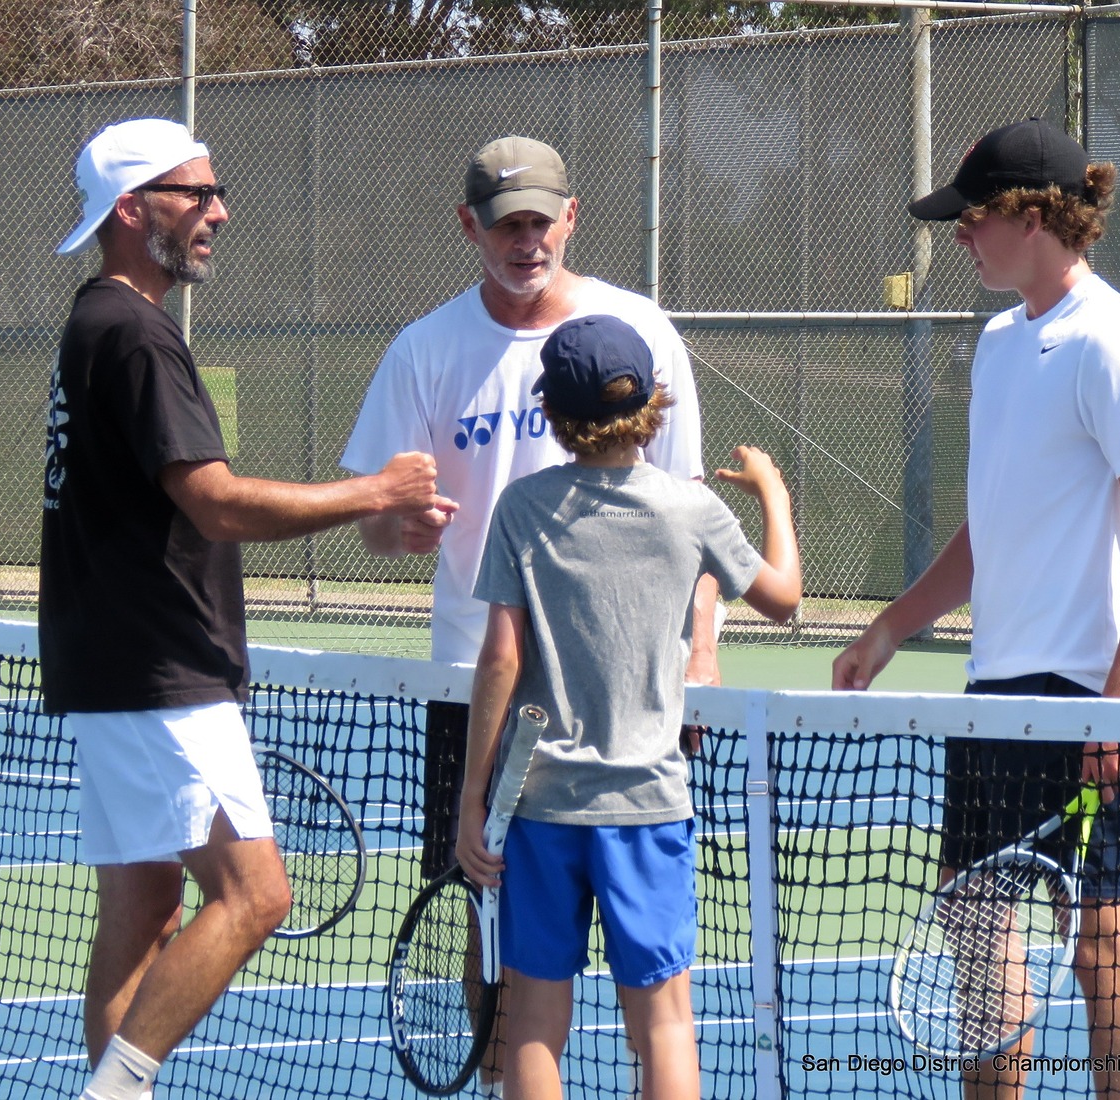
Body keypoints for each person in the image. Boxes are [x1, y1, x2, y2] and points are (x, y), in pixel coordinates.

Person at [40, 117, 454, 1100]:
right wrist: (376, 492)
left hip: (109, 667)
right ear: (134, 210)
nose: (218, 211)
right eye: (197, 193)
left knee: (143, 911)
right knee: (256, 893)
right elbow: (215, 500)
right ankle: (116, 1088)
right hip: (159, 671)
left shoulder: (95, 321)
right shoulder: (137, 333)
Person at [833, 118, 1120, 1100]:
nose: (958, 236)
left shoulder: (1112, 343)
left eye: (972, 219)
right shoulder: (998, 344)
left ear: (1032, 217)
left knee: (1098, 939)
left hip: (1081, 692)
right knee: (975, 922)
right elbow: (987, 527)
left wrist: (1119, 706)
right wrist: (891, 624)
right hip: (992, 691)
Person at [340, 134, 717, 888]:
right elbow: (376, 523)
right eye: (507, 224)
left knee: (634, 919)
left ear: (570, 217)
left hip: (626, 688)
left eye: (540, 221)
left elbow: (695, 518)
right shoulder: (423, 352)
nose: (526, 242)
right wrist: (396, 527)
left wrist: (699, 657)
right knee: (492, 907)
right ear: (468, 225)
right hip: (478, 681)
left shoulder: (643, 333)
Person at [454, 314, 802, 1100]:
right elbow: (784, 598)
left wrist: (472, 800)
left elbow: (501, 660)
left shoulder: (521, 506)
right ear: (652, 403)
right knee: (666, 1023)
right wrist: (775, 493)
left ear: (555, 412)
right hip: (649, 807)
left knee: (536, 1019)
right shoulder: (692, 509)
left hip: (540, 811)